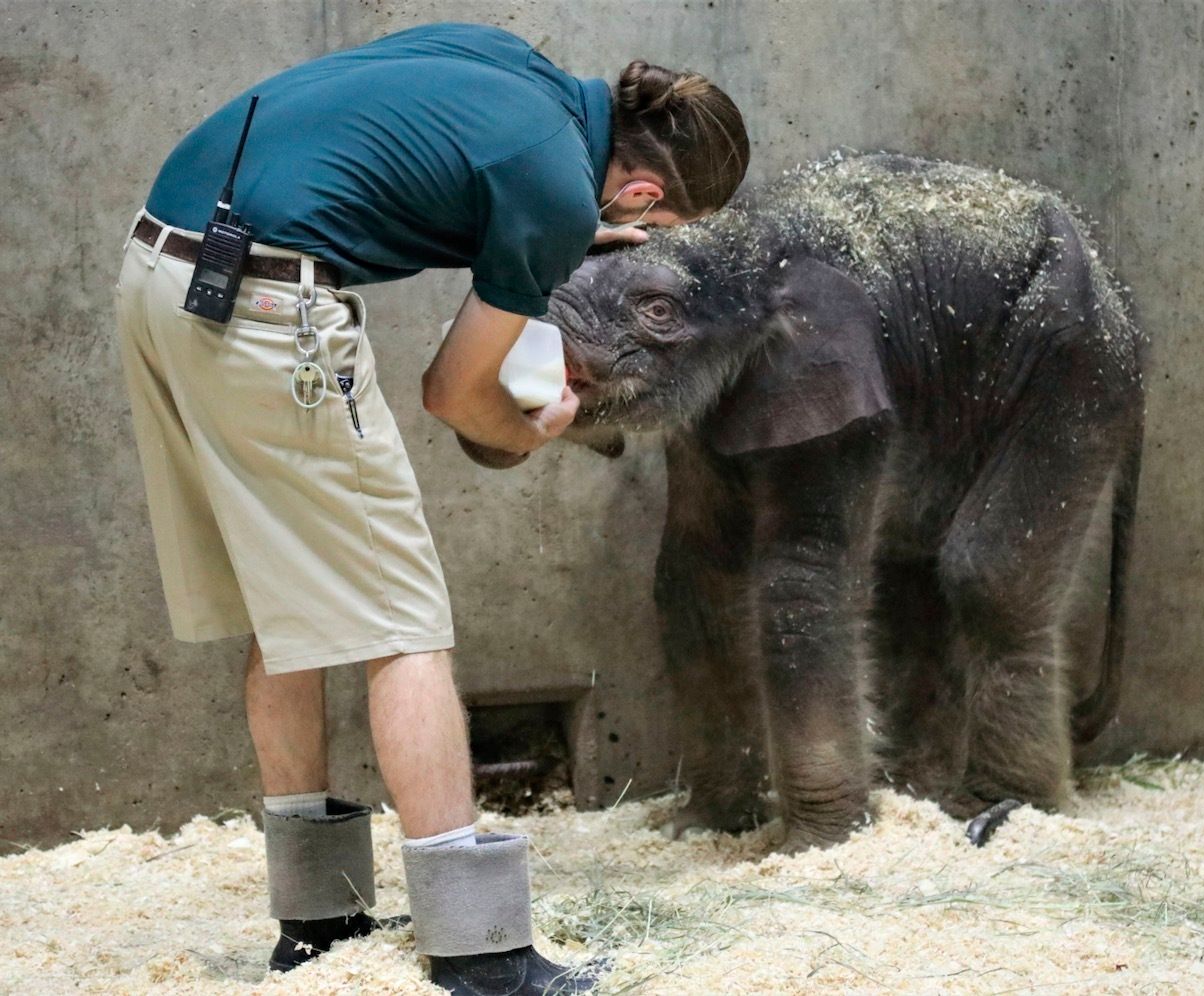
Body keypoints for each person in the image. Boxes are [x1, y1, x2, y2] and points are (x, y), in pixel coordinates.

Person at [113, 21, 749, 995]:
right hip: (268, 306)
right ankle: (480, 952)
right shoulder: (544, 186)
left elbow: (425, 150)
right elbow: (455, 396)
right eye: (651, 231)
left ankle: (315, 920)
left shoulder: (513, 72)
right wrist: (550, 424)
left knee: (290, 609)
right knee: (402, 621)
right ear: (641, 195)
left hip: (165, 271)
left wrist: (555, 230)